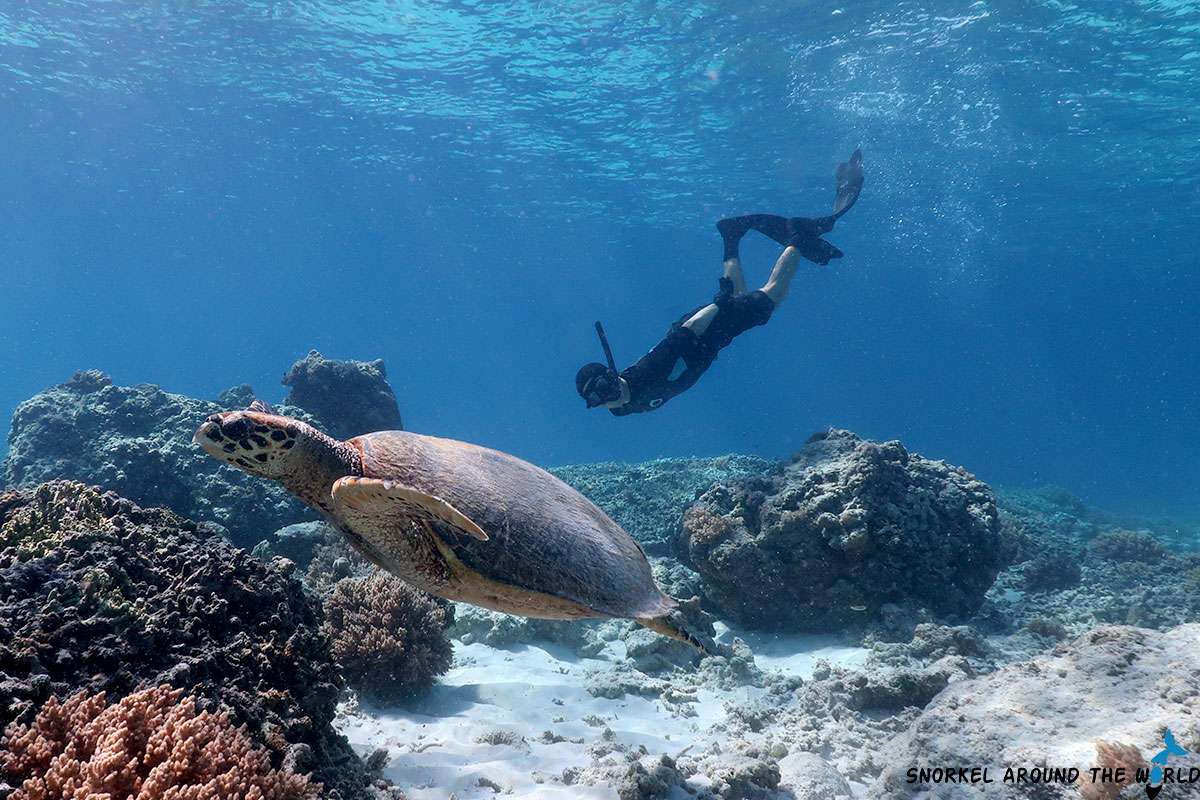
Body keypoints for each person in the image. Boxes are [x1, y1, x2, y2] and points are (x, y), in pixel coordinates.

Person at [576, 149, 864, 416]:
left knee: (772, 298)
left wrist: (719, 305)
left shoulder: (648, 373)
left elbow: (684, 334)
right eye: (596, 399)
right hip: (710, 342)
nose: (607, 397)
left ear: (611, 375)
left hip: (703, 331)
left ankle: (798, 239)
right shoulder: (620, 409)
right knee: (740, 293)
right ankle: (731, 234)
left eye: (603, 388)